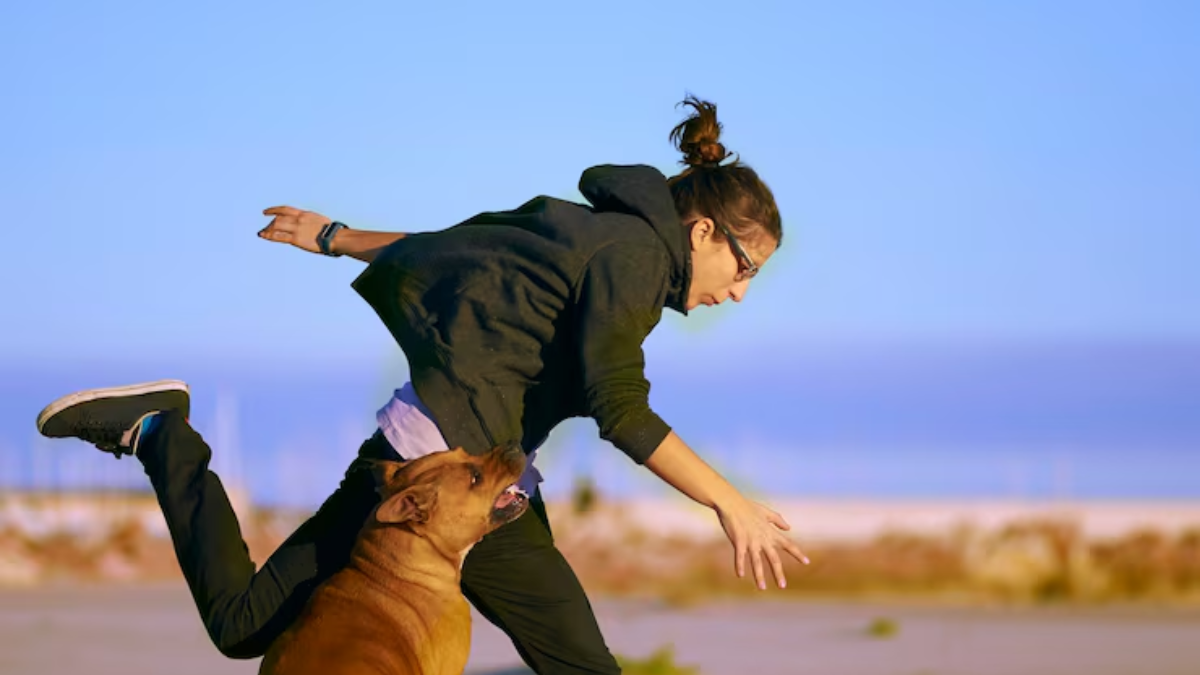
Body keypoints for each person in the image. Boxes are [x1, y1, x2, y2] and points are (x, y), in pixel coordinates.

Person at [35, 96, 808, 675]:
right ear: (702, 231)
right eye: (744, 269)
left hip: (456, 471)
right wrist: (729, 502)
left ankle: (164, 434)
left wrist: (339, 238)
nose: (739, 293)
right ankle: (164, 434)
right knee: (577, 661)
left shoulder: (590, 231)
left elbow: (455, 254)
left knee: (246, 624)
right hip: (445, 481)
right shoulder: (636, 260)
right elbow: (619, 405)